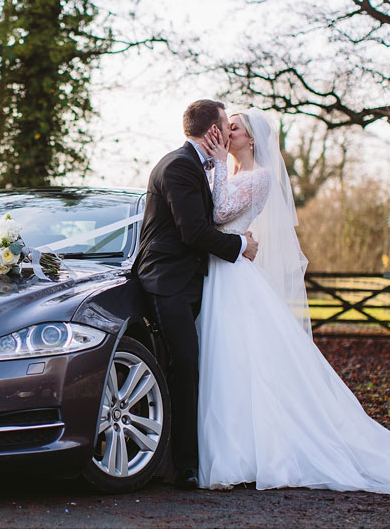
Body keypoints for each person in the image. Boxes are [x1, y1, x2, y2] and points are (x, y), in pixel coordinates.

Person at [195, 108, 390, 493]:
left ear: (251, 138)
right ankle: (229, 446)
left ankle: (248, 453)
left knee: (245, 363)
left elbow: (221, 211)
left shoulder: (260, 177)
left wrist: (219, 163)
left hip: (235, 278)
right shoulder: (227, 172)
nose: (226, 132)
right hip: (219, 272)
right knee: (228, 362)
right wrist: (217, 167)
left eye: (233, 127)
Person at [132, 99, 258, 489]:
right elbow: (192, 232)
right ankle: (183, 465)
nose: (229, 130)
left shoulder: (197, 165)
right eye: (226, 124)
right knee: (183, 365)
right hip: (166, 280)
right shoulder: (179, 166)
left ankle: (187, 457)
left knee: (192, 365)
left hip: (192, 281)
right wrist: (241, 247)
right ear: (214, 132)